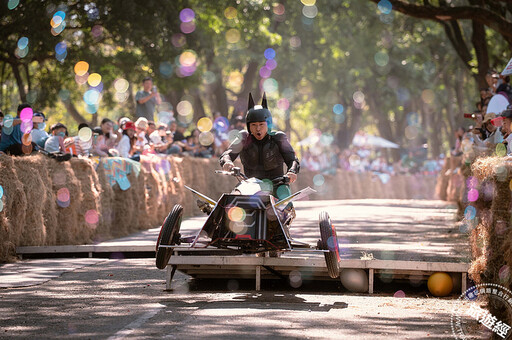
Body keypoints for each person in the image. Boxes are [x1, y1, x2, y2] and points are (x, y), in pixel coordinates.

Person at [220, 93, 300, 200]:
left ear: (268, 124)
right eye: (254, 125)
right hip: (250, 185)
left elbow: (293, 159)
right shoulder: (243, 138)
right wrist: (227, 162)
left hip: (278, 185)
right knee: (233, 201)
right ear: (248, 126)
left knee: (284, 204)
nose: (258, 129)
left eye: (261, 124)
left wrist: (292, 171)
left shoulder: (279, 138)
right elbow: (227, 154)